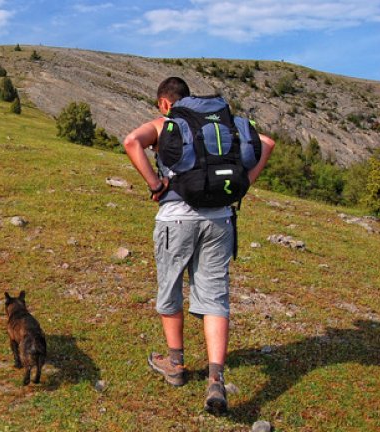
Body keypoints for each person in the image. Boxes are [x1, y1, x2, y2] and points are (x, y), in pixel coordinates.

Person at [122, 77, 275, 413]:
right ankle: (216, 379)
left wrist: (155, 184)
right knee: (215, 296)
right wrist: (245, 183)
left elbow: (132, 141)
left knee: (170, 288)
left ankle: (175, 364)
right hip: (219, 219)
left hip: (176, 218)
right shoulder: (222, 124)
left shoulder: (167, 123)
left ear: (165, 103)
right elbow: (267, 142)